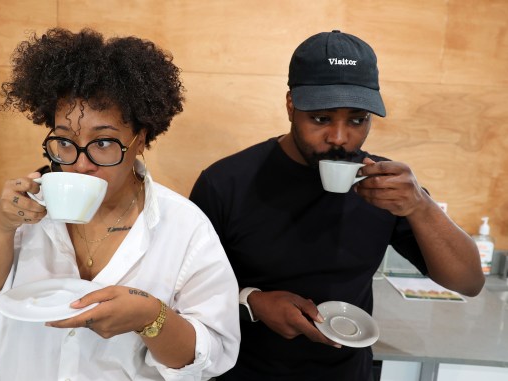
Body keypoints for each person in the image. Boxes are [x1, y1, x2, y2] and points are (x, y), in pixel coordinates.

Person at [189, 30, 485, 381]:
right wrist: (251, 302)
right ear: (290, 106)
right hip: (243, 370)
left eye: (357, 120)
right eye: (321, 118)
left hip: (347, 373)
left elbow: (468, 282)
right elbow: (184, 291)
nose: (340, 137)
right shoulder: (227, 182)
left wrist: (421, 206)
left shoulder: (386, 185)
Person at [0, 28, 240, 381]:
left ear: (141, 139)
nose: (79, 163)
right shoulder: (27, 209)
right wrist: (0, 225)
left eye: (103, 143)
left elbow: (208, 356)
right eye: (65, 142)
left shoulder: (184, 227)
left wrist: (151, 317)